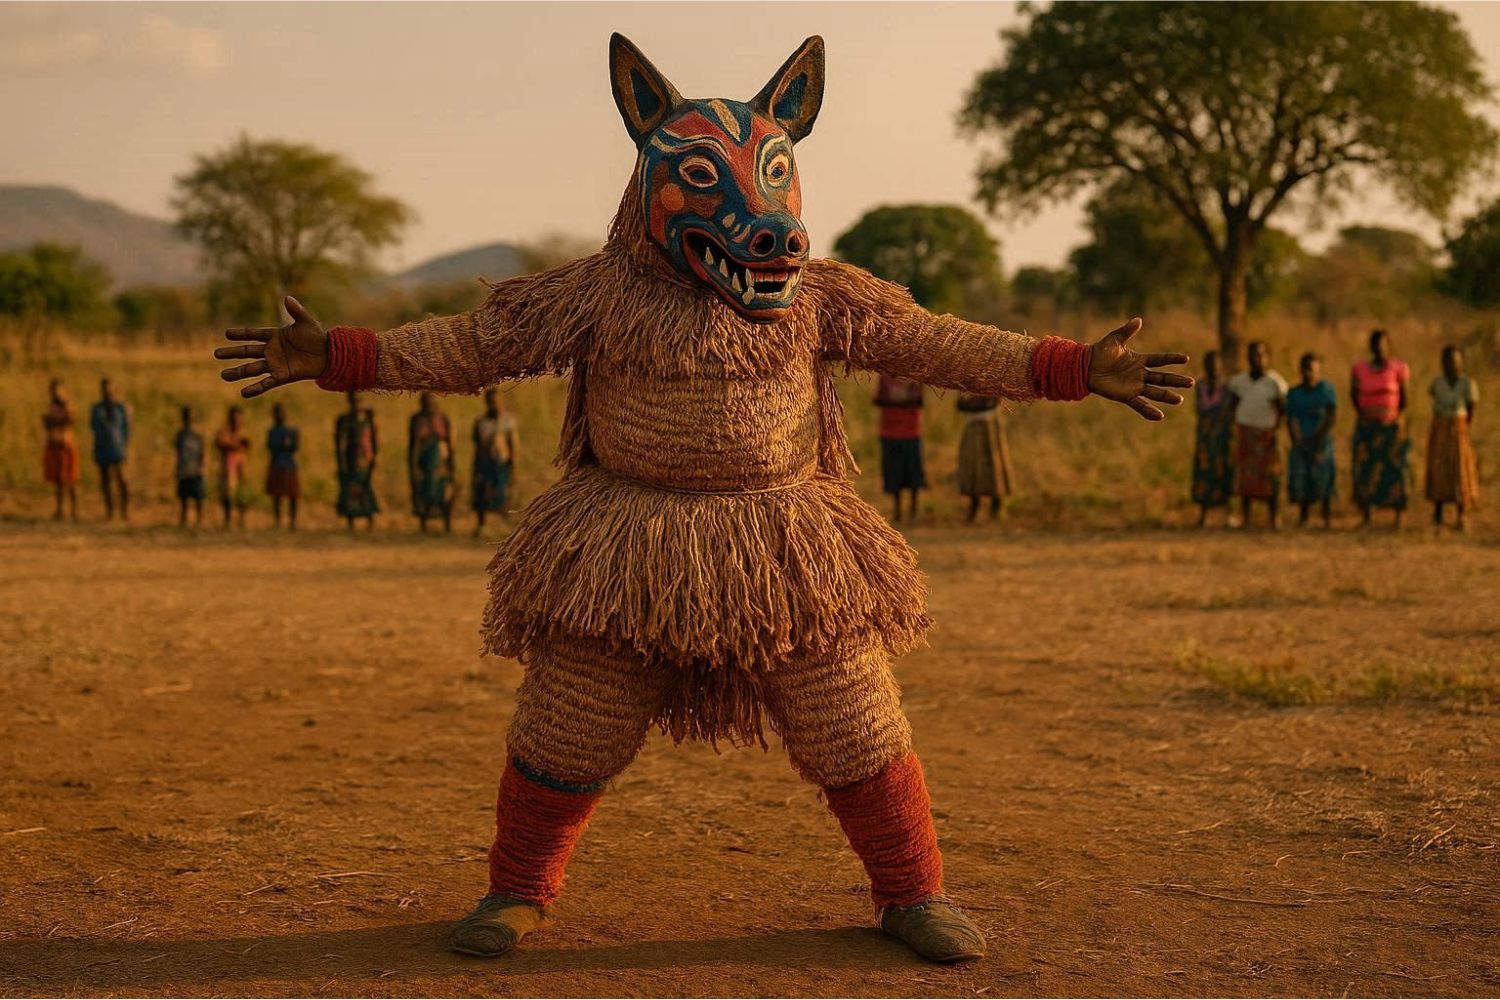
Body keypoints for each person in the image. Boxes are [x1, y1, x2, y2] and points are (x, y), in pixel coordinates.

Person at [213, 33, 1193, 965]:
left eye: (769, 181)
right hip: (622, 550)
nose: (751, 216)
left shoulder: (824, 296)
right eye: (700, 182)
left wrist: (1069, 367)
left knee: (856, 720)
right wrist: (340, 356)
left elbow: (934, 343)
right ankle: (518, 886)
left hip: (790, 553)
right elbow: (472, 348)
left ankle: (912, 889)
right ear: (648, 192)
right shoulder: (593, 295)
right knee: (568, 724)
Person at [1350, 328, 1410, 527]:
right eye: (1376, 345)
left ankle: (1397, 516)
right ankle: (1367, 514)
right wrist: (1364, 414)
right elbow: (1354, 394)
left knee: (1395, 469)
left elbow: (1404, 397)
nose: (1380, 349)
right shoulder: (1359, 368)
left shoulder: (1399, 368)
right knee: (1366, 468)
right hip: (1367, 426)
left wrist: (1396, 418)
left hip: (1391, 427)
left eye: (1384, 345)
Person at [1224, 341, 1287, 530]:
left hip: (1266, 434)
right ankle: (1247, 518)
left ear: (1267, 357)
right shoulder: (1239, 382)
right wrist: (1233, 430)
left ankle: (1274, 518)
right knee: (1246, 478)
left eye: (1261, 355)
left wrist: (1277, 431)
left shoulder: (1275, 382)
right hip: (1245, 432)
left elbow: (1282, 410)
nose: (1257, 359)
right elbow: (1231, 407)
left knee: (1271, 477)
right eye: (1253, 355)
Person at [1425, 344, 1480, 531]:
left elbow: (1471, 408)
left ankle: (1462, 515)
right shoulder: (1437, 383)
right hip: (1440, 428)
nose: (1451, 366)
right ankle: (1438, 512)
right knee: (1439, 469)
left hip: (1458, 428)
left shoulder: (1467, 384)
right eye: (1448, 362)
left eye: (1455, 362)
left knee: (1459, 471)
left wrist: (1461, 426)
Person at [1285, 352, 1338, 528]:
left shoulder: (1326, 390)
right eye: (1306, 369)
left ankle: (1326, 517)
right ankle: (1304, 516)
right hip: (1301, 440)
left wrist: (1319, 440)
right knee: (1302, 477)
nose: (1309, 373)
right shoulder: (1294, 394)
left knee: (1323, 478)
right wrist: (1297, 440)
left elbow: (1330, 417)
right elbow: (1291, 418)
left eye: (1312, 369)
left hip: (1321, 440)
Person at [1190, 350, 1234, 526]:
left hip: (1221, 434)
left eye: (1216, 365)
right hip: (1205, 436)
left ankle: (1227, 514)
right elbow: (1199, 409)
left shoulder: (1226, 387)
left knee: (1223, 471)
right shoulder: (1200, 385)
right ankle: (1203, 515)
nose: (1214, 368)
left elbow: (1226, 411)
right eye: (1210, 365)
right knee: (1203, 473)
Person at [874, 375, 926, 523]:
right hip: (890, 431)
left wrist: (894, 401)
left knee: (912, 474)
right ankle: (898, 510)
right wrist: (902, 400)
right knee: (894, 473)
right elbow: (877, 399)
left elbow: (919, 401)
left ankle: (913, 510)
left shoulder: (915, 376)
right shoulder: (885, 377)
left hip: (910, 431)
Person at [954, 393, 1012, 522]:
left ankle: (996, 503)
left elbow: (990, 402)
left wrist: (972, 401)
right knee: (972, 466)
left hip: (989, 427)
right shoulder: (966, 384)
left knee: (992, 464)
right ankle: (975, 504)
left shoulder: (990, 381)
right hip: (972, 428)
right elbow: (960, 405)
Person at [473, 387, 519, 534]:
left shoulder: (508, 421)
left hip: (501, 462)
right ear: (486, 402)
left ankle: (505, 527)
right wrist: (476, 467)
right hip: (485, 463)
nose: (495, 404)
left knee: (503, 493)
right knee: (482, 493)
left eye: (497, 400)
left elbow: (513, 446)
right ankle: (481, 526)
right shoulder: (480, 422)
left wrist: (514, 467)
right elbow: (478, 446)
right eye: (491, 401)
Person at [409, 392, 456, 533]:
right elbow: (414, 444)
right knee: (423, 490)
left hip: (441, 460)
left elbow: (450, 442)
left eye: (431, 400)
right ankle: (423, 524)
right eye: (425, 400)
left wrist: (450, 463)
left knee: (444, 491)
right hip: (424, 460)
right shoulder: (417, 419)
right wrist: (414, 464)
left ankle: (446, 524)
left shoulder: (443, 418)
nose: (429, 403)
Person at [334, 391, 380, 531]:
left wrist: (374, 457)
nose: (357, 404)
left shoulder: (368, 419)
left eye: (359, 400)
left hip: (365, 459)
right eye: (354, 401)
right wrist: (341, 463)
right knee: (350, 488)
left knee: (366, 487)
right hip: (351, 459)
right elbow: (341, 443)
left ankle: (369, 519)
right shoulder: (345, 420)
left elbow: (374, 439)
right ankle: (351, 520)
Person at [89, 377, 130, 521]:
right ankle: (110, 511)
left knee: (123, 480)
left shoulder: (120, 408)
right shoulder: (96, 409)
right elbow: (94, 429)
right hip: (102, 448)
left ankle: (125, 511)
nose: (108, 392)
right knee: (106, 481)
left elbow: (126, 429)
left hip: (118, 448)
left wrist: (125, 448)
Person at [41, 379, 79, 521]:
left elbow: (69, 421)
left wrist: (52, 421)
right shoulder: (52, 405)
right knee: (58, 481)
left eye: (57, 389)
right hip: (54, 444)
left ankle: (74, 510)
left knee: (69, 479)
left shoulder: (67, 404)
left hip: (65, 445)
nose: (55, 393)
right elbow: (47, 423)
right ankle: (60, 510)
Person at [214, 405, 252, 529]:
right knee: (227, 493)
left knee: (242, 493)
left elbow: (247, 445)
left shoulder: (243, 431)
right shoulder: (224, 431)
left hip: (241, 465)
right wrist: (236, 445)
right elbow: (221, 443)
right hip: (228, 466)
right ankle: (228, 519)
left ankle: (242, 520)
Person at [266, 403, 301, 530]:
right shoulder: (273, 431)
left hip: (289, 464)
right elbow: (271, 447)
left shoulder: (291, 431)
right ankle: (278, 520)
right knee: (277, 495)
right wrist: (284, 445)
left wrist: (283, 446)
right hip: (277, 463)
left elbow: (294, 447)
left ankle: (293, 521)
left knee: (293, 494)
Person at [174, 406, 206, 528]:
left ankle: (200, 520)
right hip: (184, 468)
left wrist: (203, 466)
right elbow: (178, 452)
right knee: (184, 497)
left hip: (196, 468)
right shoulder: (181, 434)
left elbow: (203, 451)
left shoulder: (198, 434)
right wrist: (177, 468)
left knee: (198, 496)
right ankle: (184, 520)